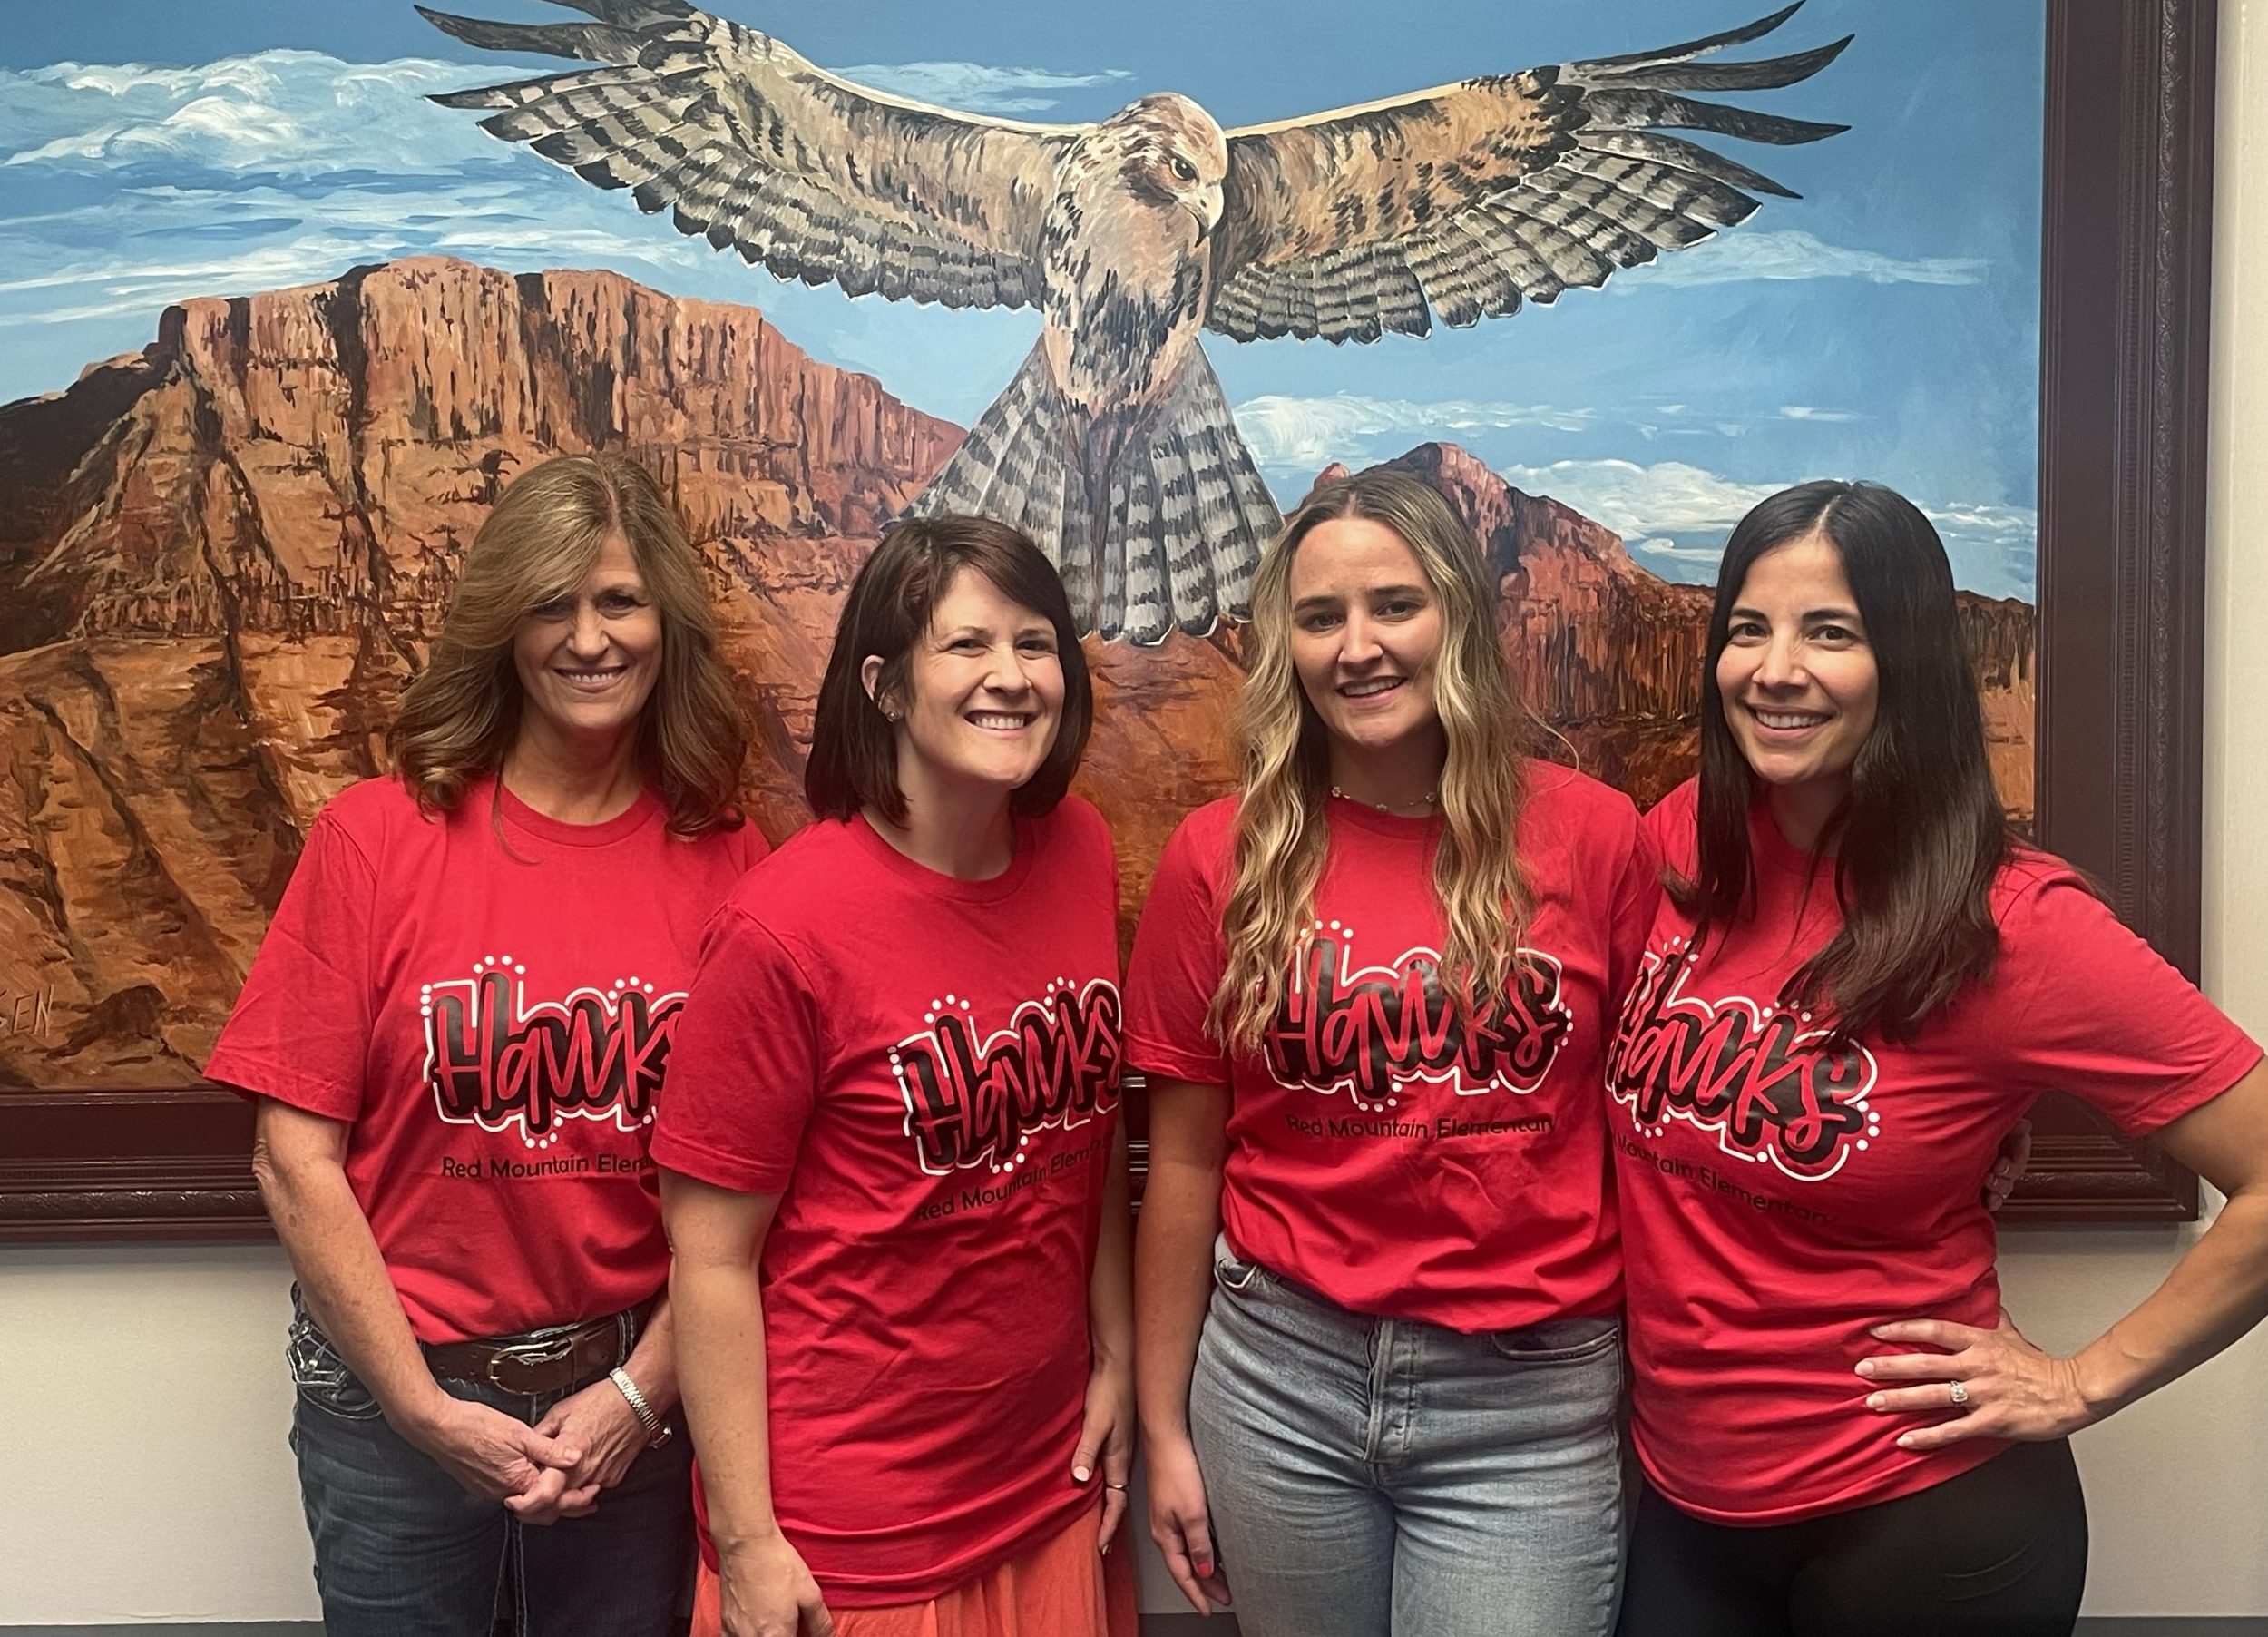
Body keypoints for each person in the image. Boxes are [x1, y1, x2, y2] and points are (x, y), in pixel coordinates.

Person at [1608, 481, 2268, 1636]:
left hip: (1920, 1517)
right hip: (1681, 1504)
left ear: (1905, 660)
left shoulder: (2014, 922)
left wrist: (2081, 1379)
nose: (1774, 668)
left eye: (1830, 631)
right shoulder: (1683, 843)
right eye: (1747, 629)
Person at [206, 454, 767, 1634]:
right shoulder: (379, 837)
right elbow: (291, 1160)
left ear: (665, 620)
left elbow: (755, 1186)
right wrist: (421, 1410)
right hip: (395, 1403)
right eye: (551, 604)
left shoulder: (728, 859)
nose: (589, 638)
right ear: (503, 626)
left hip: (633, 1404)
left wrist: (635, 1393)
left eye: (618, 600)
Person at [1127, 469, 1657, 1637]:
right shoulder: (1221, 856)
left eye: (1394, 606)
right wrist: (1162, 1428)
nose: (1357, 647)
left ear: (1457, 618)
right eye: (1320, 618)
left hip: (1525, 1396)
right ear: (1286, 646)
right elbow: (1184, 1166)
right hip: (1277, 1379)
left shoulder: (1595, 837)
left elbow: (1662, 1103)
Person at [651, 515, 1138, 1637]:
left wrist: (1111, 1353)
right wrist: (748, 1540)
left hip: (1046, 1482)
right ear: (882, 683)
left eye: (1035, 643)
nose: (1011, 678)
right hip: (858, 1535)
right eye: (967, 646)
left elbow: (1085, 1135)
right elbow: (711, 1256)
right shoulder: (785, 928)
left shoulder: (1079, 851)